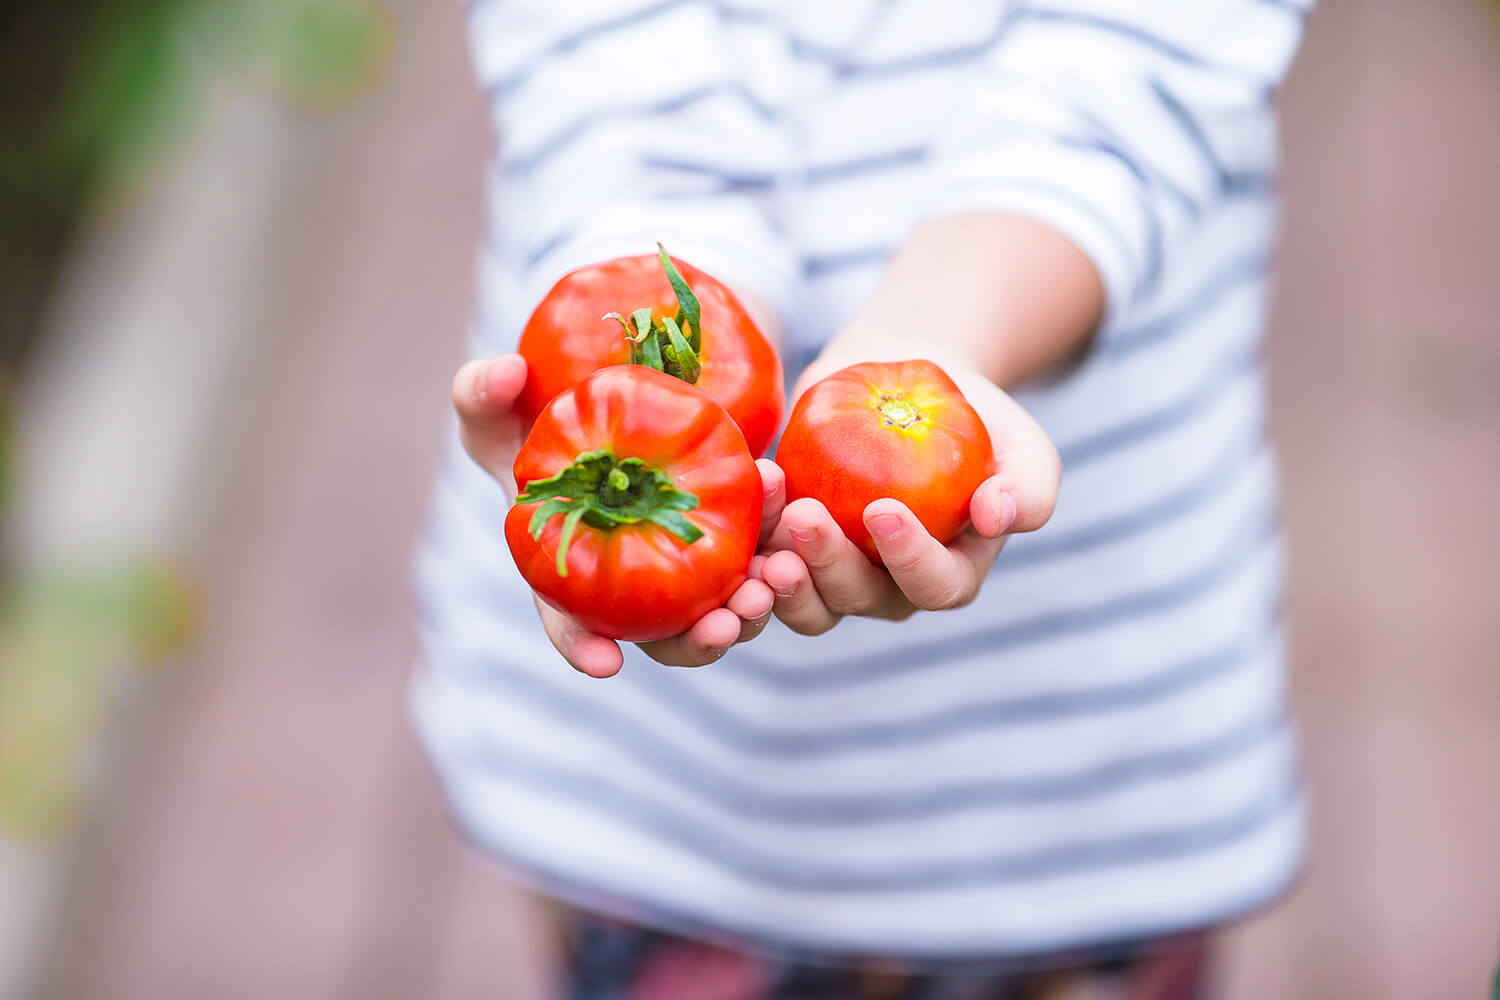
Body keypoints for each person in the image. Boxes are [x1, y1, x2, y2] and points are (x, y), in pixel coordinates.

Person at [413, 1, 1312, 996]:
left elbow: (1138, 67)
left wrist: (932, 341)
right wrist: (682, 325)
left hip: (1073, 763)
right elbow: (600, 57)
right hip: (651, 776)